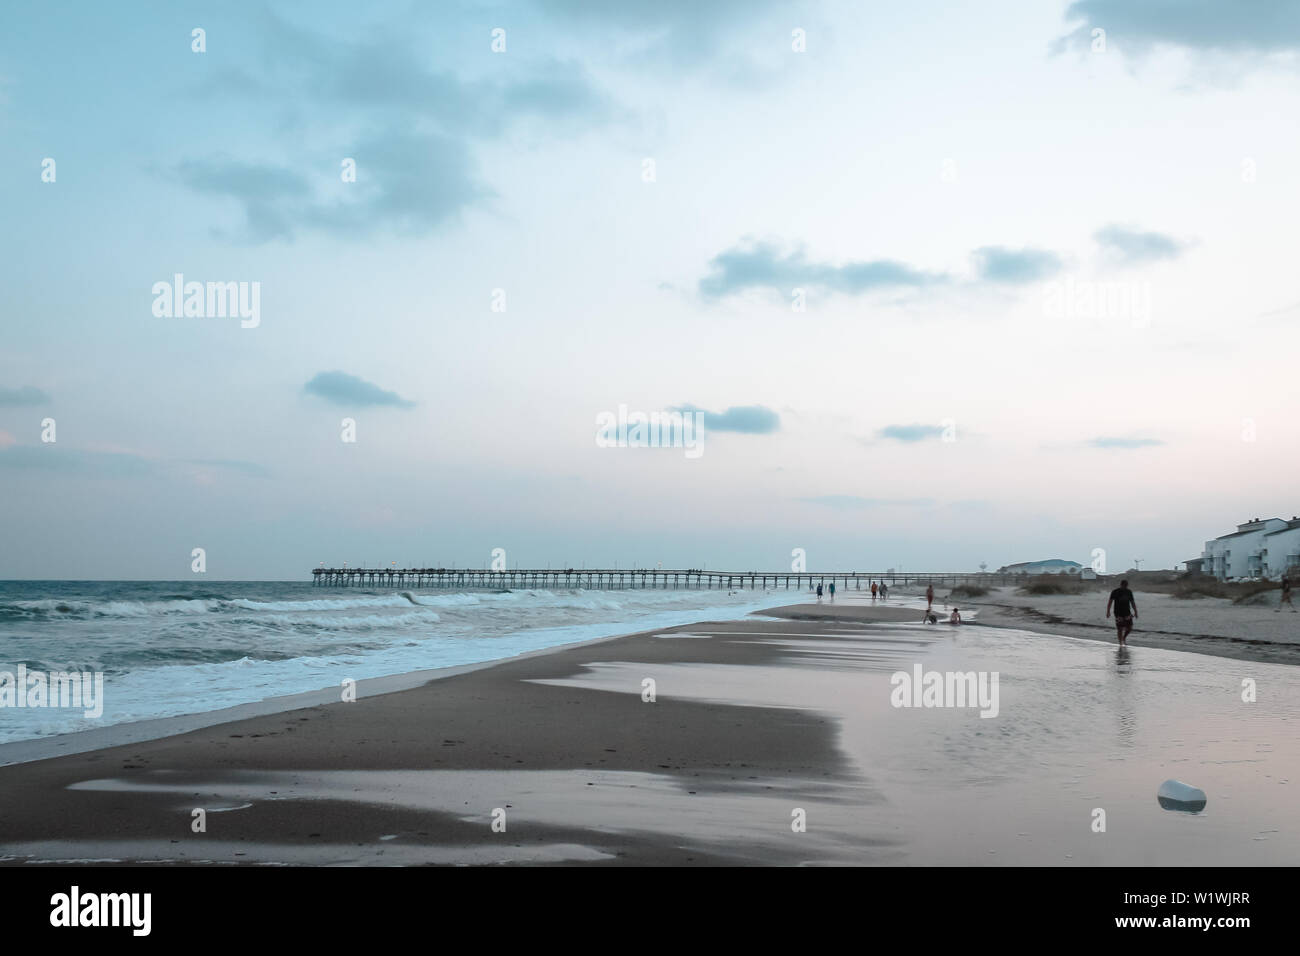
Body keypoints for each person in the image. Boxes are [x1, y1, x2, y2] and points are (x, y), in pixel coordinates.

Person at [1106, 579, 1138, 645]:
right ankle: (1120, 643)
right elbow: (1110, 602)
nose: (1125, 587)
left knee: (1129, 628)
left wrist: (1136, 611)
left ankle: (1124, 638)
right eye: (1124, 585)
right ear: (1121, 585)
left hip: (1127, 612)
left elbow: (1132, 602)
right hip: (1118, 613)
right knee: (1120, 628)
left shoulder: (1129, 592)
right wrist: (1108, 612)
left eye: (1126, 586)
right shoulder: (1115, 591)